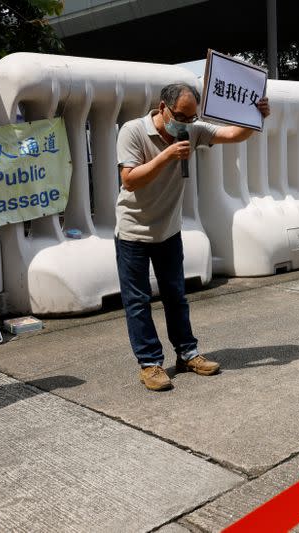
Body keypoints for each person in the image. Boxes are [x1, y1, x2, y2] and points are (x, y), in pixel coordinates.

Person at [116, 82, 270, 391]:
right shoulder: (133, 131)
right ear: (163, 108)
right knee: (138, 300)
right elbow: (129, 180)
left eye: (192, 117)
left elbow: (232, 135)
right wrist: (167, 155)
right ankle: (150, 364)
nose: (187, 123)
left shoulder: (192, 129)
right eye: (182, 116)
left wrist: (255, 117)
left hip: (169, 230)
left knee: (176, 295)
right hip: (133, 230)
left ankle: (187, 353)